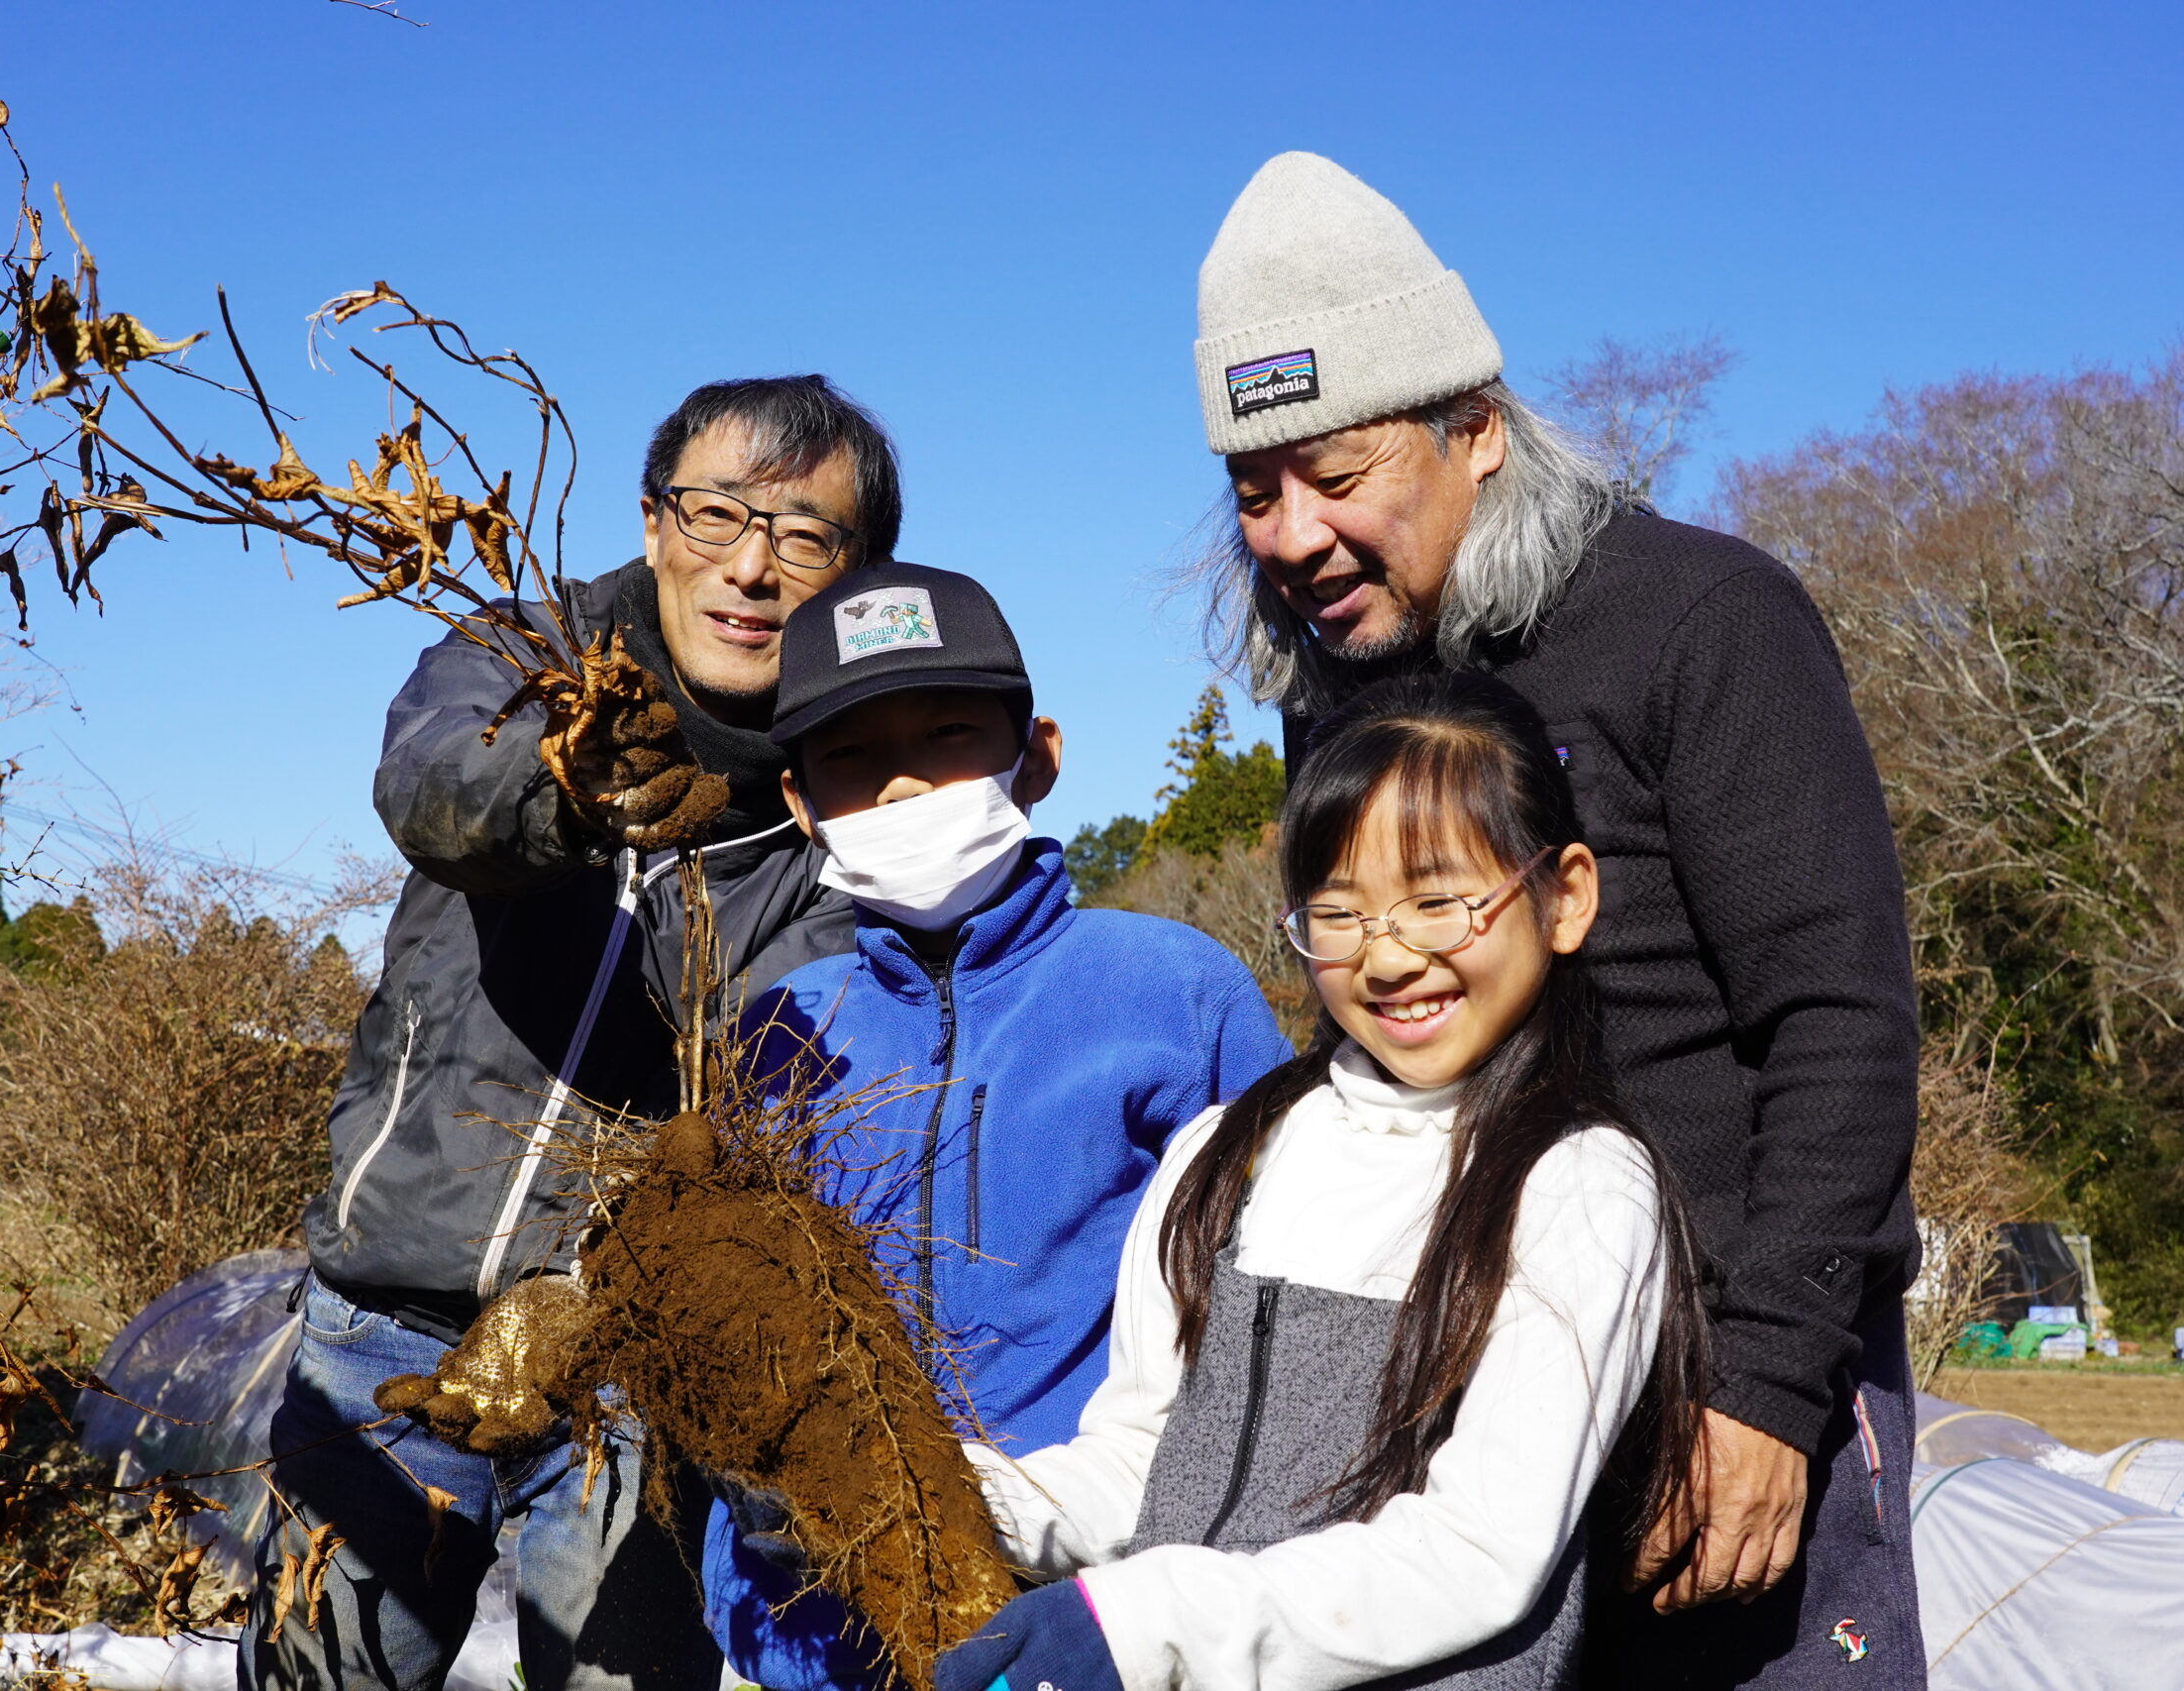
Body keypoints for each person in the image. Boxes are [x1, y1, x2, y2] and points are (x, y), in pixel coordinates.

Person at [1188, 152, 1925, 1686]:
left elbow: (1840, 1018)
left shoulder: (1704, 619)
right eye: (1254, 491)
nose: (1289, 535)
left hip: (1726, 1375)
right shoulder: (1338, 695)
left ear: (1478, 428)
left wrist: (1777, 1390)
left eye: (1334, 475)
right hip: (1468, 1396)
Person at [244, 375, 901, 1691]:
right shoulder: (524, 655)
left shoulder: (848, 788)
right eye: (718, 515)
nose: (754, 568)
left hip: (627, 1384)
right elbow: (433, 783)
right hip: (387, 1321)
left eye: (807, 536)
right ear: (655, 523)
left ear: (855, 575)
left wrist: (619, 1303)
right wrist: (573, 782)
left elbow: (812, 1071)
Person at [937, 671, 1710, 1691]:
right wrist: (942, 1489)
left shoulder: (1577, 1185)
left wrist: (1147, 1628)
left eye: (1438, 903)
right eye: (1337, 914)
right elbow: (1138, 1462)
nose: (1387, 959)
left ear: (1564, 897)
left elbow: (1476, 1555)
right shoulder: (1230, 1153)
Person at [704, 562, 1295, 1691]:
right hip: (803, 1630)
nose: (900, 787)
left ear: (1039, 757)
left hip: (1087, 1617)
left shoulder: (1176, 992)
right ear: (798, 804)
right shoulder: (775, 1031)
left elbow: (1273, 1316)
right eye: (851, 758)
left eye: (948, 734)